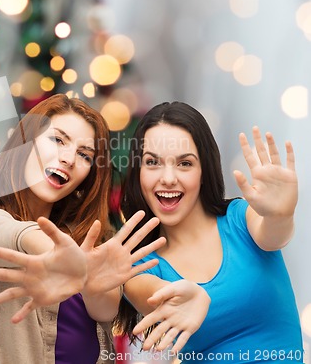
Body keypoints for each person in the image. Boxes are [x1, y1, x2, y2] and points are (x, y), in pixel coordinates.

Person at [0, 94, 165, 364]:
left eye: (85, 155)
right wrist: (69, 261)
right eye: (58, 140)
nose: (69, 158)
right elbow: (21, 237)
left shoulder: (90, 238)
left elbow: (105, 312)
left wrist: (88, 277)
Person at [114, 101, 304, 362]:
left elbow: (274, 234)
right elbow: (152, 295)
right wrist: (182, 297)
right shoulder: (140, 261)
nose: (168, 178)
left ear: (204, 170)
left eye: (184, 164)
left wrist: (281, 214)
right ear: (137, 173)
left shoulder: (240, 218)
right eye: (152, 162)